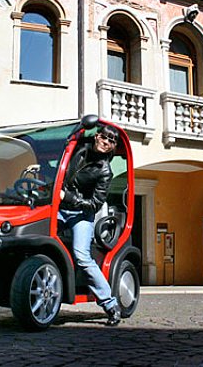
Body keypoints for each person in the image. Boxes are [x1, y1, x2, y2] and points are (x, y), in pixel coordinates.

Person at [58, 124, 121, 326]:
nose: (106, 142)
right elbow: (72, 136)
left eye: (111, 141)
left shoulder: (105, 171)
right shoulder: (80, 148)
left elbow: (95, 204)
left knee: (82, 256)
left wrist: (69, 197)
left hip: (81, 215)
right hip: (58, 208)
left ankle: (110, 304)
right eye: (104, 137)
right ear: (96, 136)